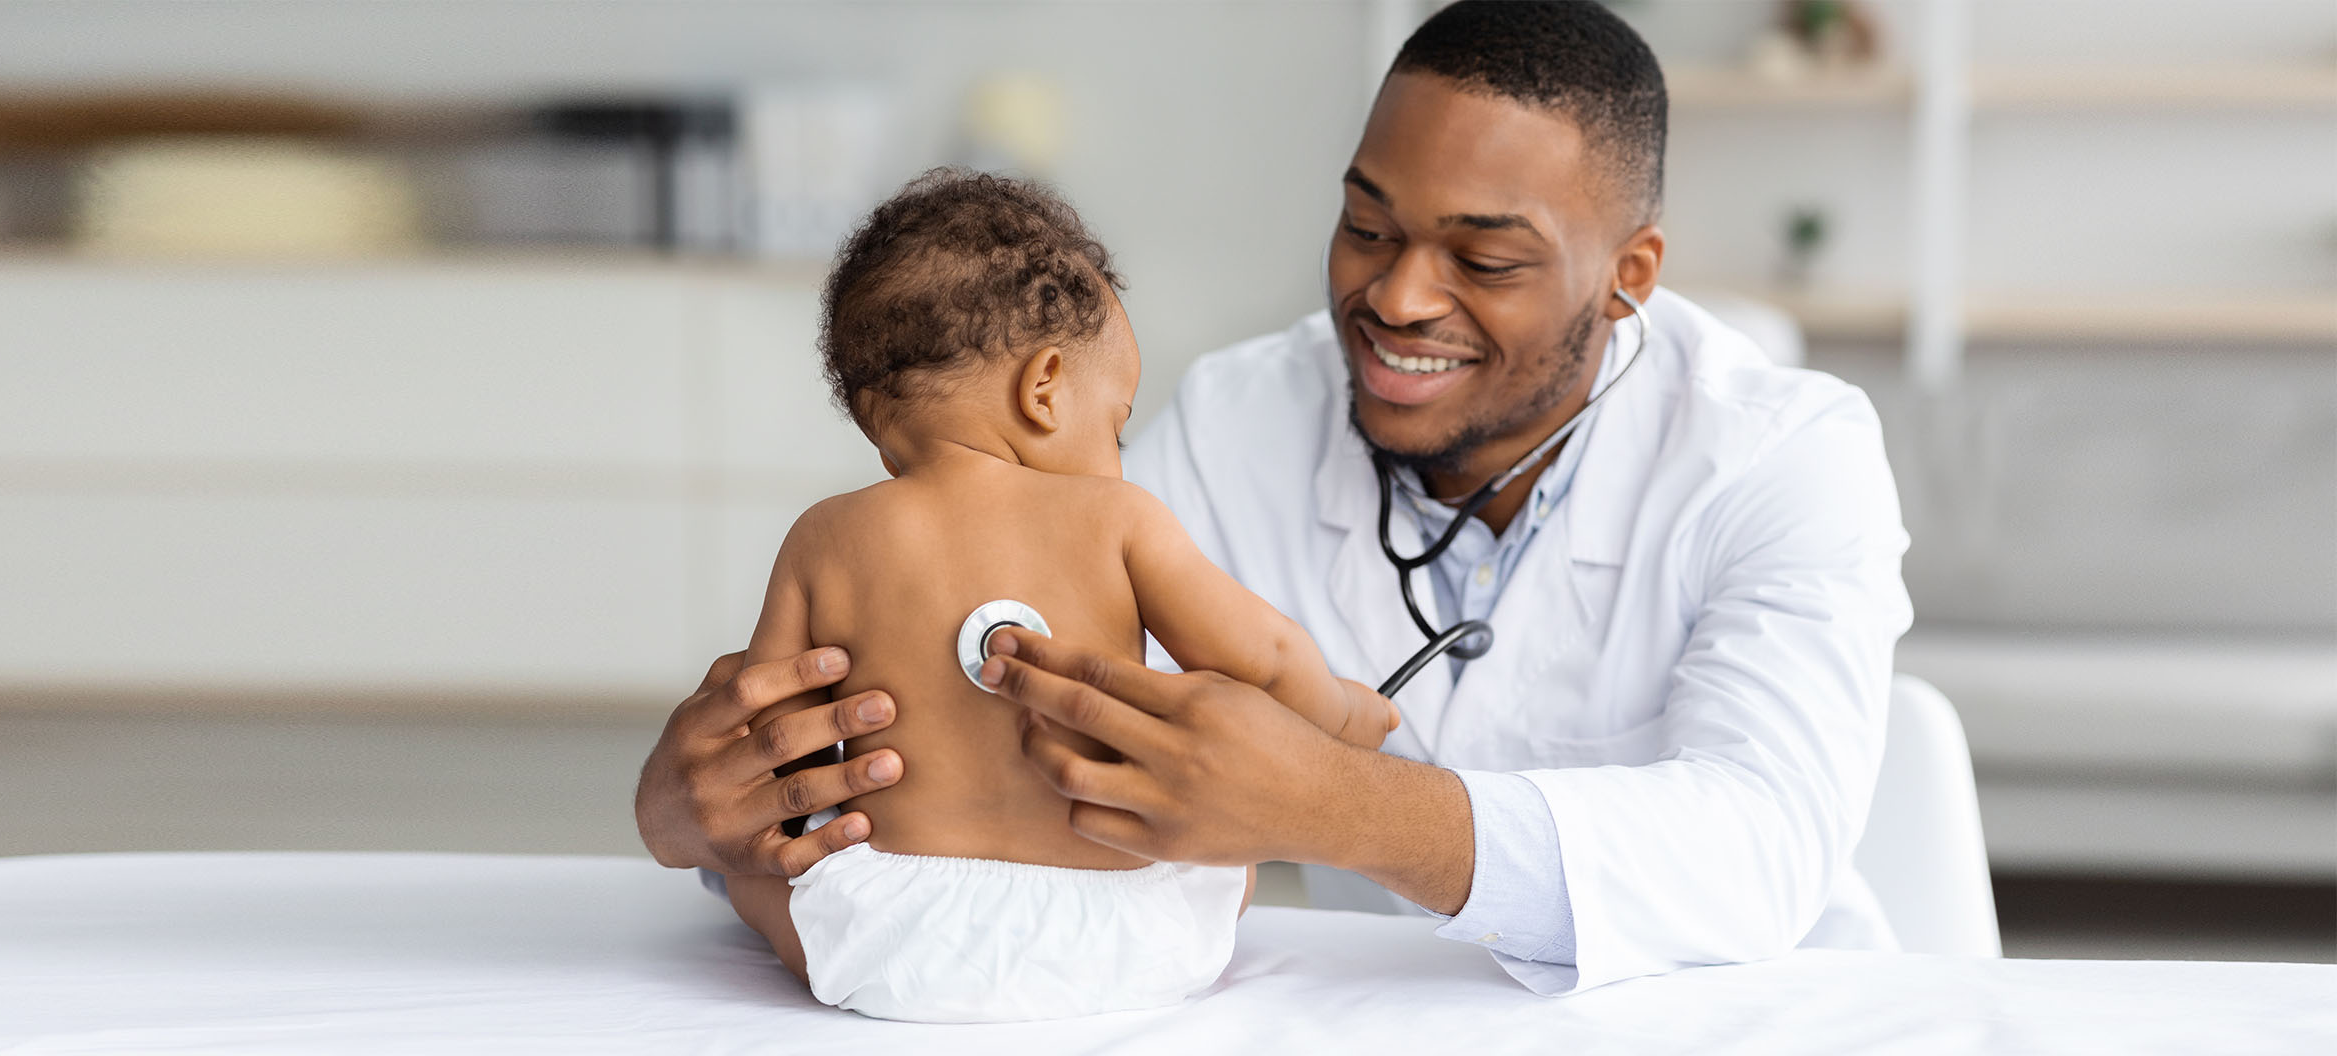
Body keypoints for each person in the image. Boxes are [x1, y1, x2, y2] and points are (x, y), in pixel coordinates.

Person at [637, 0, 1912, 997]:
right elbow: (966, 721)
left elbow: (1762, 841)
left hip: (1740, 1031)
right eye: (1367, 227)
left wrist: (1334, 800)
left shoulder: (1786, 451)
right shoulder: (1239, 418)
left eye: (1483, 257)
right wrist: (713, 811)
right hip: (1381, 1031)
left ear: (1628, 274)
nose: (1399, 296)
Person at [717, 168, 1396, 1023]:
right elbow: (1262, 656)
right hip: (1127, 933)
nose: (1117, 449)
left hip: (896, 941)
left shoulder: (825, 536)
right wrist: (1341, 719)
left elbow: (774, 733)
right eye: (1115, 423)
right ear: (1043, 388)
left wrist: (793, 861)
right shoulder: (1117, 517)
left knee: (748, 876)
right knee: (1234, 850)